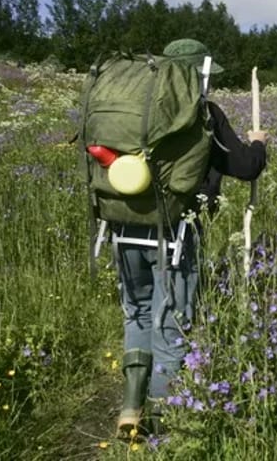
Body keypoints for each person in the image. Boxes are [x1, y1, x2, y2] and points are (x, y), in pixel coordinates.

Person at [113, 38, 266, 437]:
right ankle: (164, 430)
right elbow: (246, 167)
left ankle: (131, 407)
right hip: (174, 234)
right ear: (198, 74)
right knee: (170, 323)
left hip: (121, 226)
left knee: (138, 312)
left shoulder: (132, 108)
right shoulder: (202, 113)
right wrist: (259, 143)